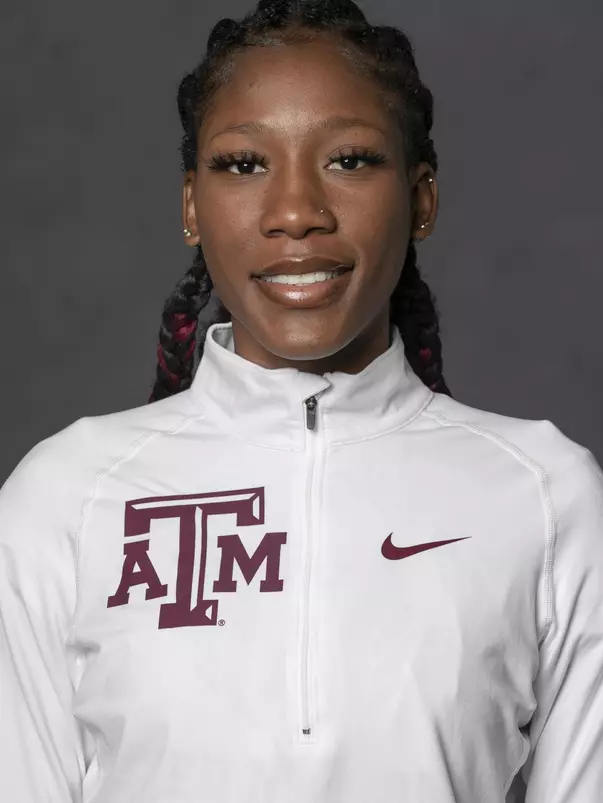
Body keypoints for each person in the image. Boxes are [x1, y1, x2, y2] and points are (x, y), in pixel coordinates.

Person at [0, 0, 601, 800]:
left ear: (422, 198)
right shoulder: (69, 495)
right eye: (244, 164)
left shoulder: (545, 493)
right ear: (190, 205)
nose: (295, 214)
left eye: (349, 159)